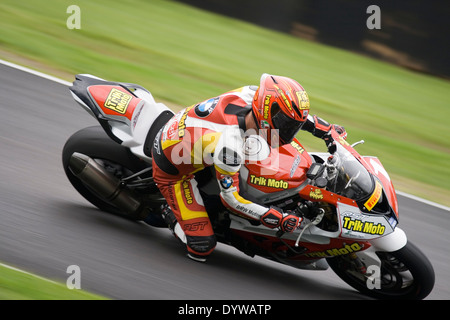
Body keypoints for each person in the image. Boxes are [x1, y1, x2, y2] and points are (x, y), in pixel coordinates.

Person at [150, 73, 346, 262]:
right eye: (285, 125)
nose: (289, 132)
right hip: (172, 169)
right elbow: (232, 199)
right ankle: (168, 211)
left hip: (195, 138)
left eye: (291, 126)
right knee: (201, 247)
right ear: (267, 111)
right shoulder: (230, 146)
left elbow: (293, 116)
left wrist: (326, 131)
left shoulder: (255, 95)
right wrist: (276, 217)